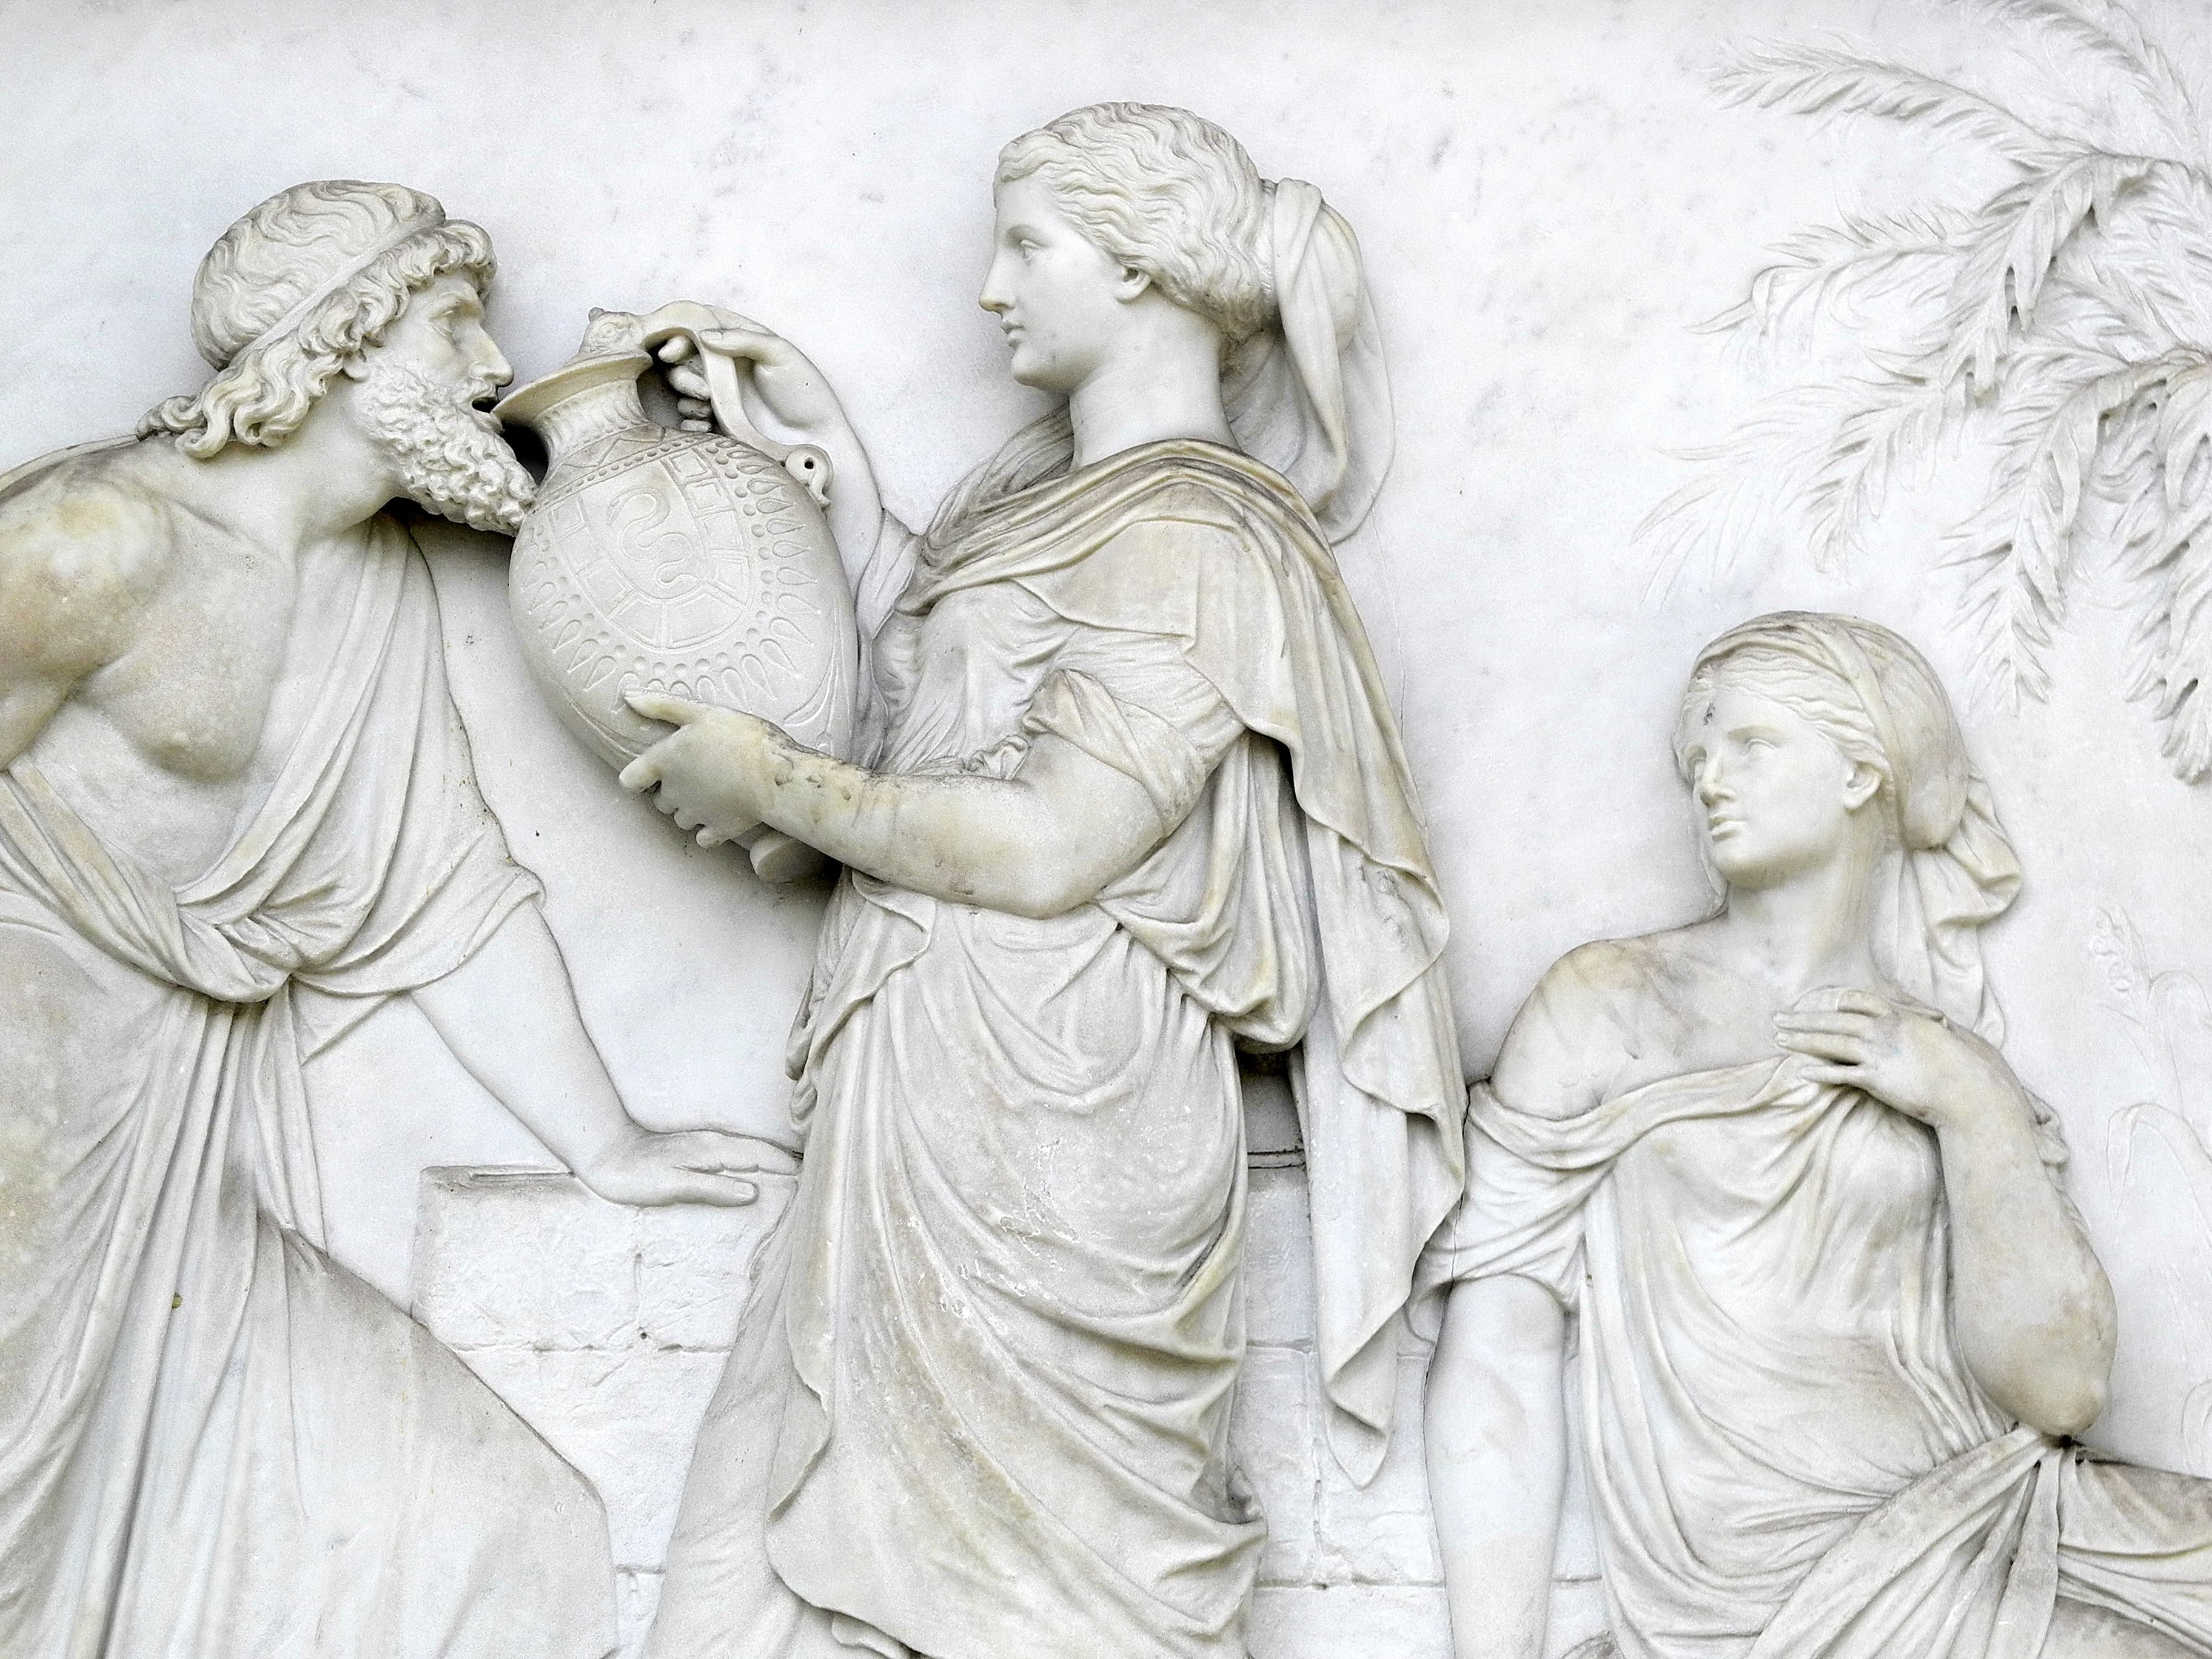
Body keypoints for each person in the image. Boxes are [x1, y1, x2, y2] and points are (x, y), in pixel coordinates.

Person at [625, 104, 1466, 1659]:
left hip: (1061, 1105)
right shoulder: (1044, 503)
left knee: (1058, 1594)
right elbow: (956, 705)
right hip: (929, 1067)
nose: (991, 289)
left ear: (1139, 266)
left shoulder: (1200, 535)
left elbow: (1054, 840)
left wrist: (777, 787)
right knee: (769, 1563)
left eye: (1028, 246)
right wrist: (821, 453)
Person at [0, 180, 791, 1659]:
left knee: (493, 1525)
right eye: (453, 325)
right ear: (339, 340)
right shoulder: (94, 541)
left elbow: (447, 890)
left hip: (175, 1162)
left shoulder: (366, 587)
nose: (493, 366)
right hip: (25, 1125)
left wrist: (607, 1145)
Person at [1420, 612, 2212, 1659]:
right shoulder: (1608, 1006)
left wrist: (1972, 1105)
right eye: (1699, 759)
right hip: (1775, 1570)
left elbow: (2063, 1392)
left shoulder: (1947, 1059)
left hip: (1985, 1504)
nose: (1710, 780)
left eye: (1752, 744)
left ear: (1860, 770)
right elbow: (1501, 1353)